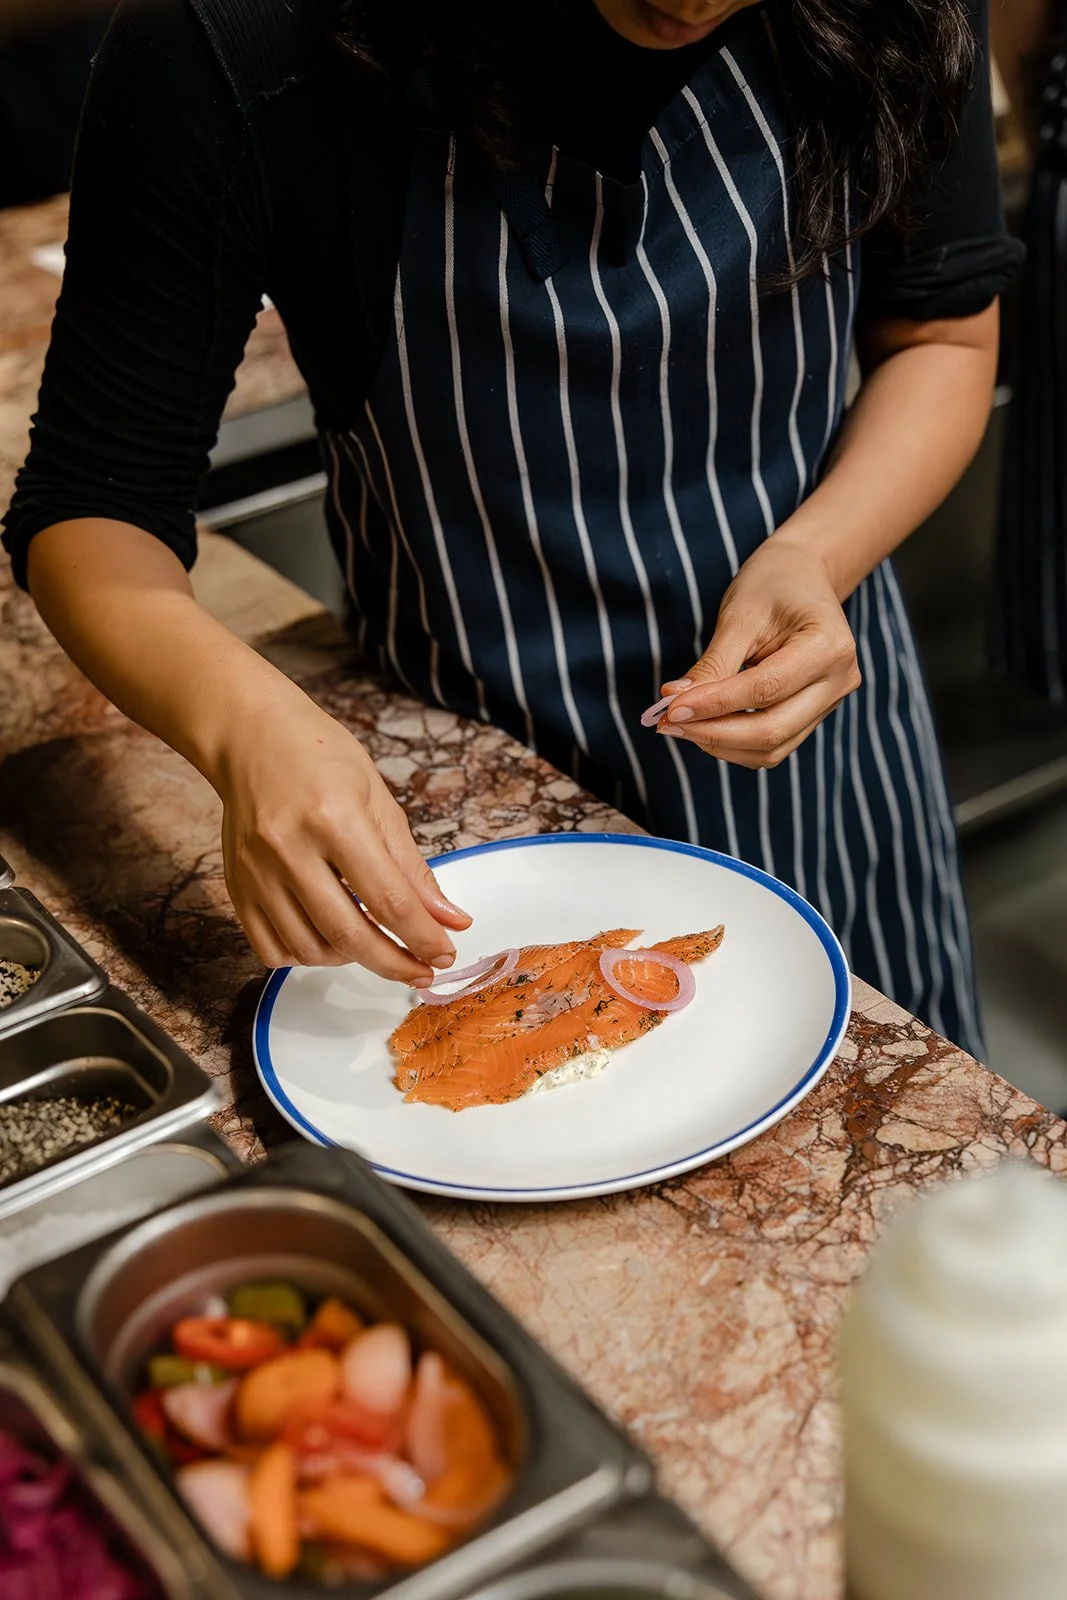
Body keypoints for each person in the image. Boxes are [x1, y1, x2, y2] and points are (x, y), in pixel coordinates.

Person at [2, 0, 1022, 1057]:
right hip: (464, 802)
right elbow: (92, 505)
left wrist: (816, 551)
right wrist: (246, 728)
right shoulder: (243, 37)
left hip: (823, 762)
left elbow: (941, 334)